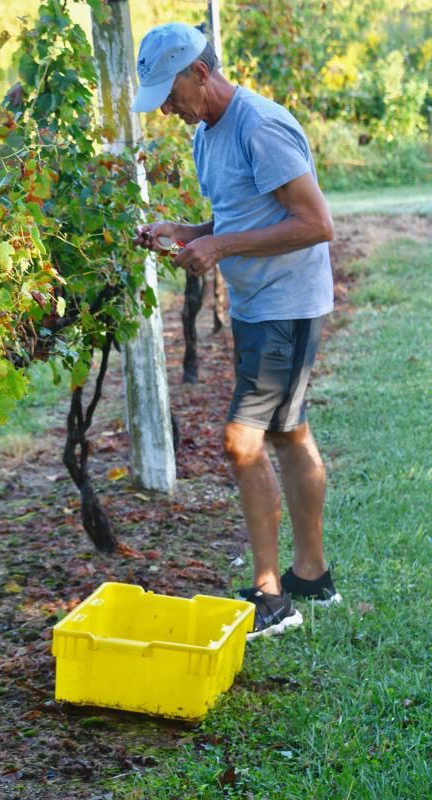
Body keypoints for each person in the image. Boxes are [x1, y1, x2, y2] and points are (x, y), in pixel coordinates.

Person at [132, 22, 341, 639]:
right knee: (288, 433)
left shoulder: (261, 127)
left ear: (201, 73)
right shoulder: (207, 133)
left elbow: (317, 224)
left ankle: (272, 597)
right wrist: (189, 232)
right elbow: (238, 215)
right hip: (259, 306)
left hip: (287, 304)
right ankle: (312, 577)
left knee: (241, 442)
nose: (166, 110)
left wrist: (220, 247)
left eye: (170, 94)